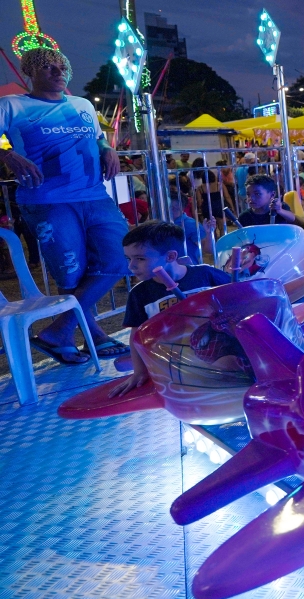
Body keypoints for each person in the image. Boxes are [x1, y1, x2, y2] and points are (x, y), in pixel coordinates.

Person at [0, 48, 129, 363]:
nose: (58, 72)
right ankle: (91, 336)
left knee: (122, 255)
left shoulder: (82, 105)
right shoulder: (11, 105)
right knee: (71, 273)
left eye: (62, 66)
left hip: (95, 196)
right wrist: (7, 154)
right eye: (48, 67)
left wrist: (107, 148)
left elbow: (97, 137)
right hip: (47, 200)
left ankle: (59, 332)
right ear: (30, 72)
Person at [108, 221, 232, 397]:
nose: (131, 266)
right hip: (180, 364)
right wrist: (139, 371)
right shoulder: (140, 293)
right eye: (129, 259)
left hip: (222, 352)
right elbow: (137, 335)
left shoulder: (206, 275)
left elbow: (240, 299)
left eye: (140, 259)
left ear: (171, 256)